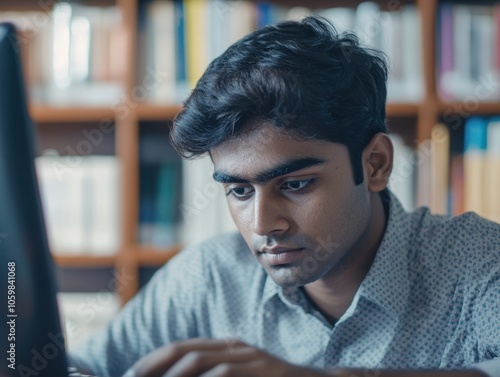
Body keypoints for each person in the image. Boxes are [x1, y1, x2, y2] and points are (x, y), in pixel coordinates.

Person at [70, 16, 500, 377]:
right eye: (239, 190)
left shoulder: (479, 262)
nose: (263, 225)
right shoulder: (209, 278)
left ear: (375, 165)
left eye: (295, 184)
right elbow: (81, 367)